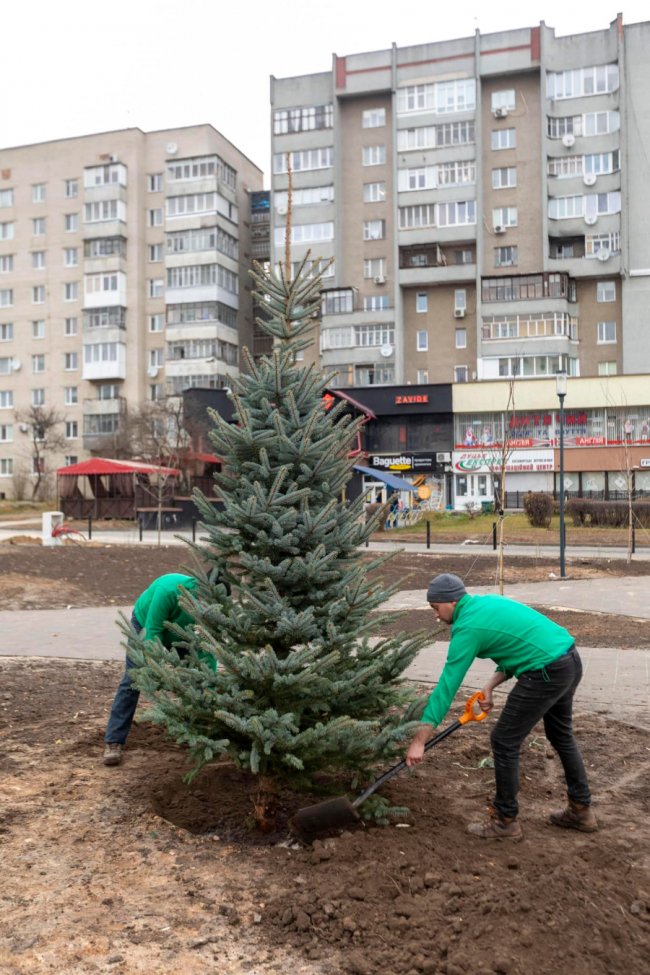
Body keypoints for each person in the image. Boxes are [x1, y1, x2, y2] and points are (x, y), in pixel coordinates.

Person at [406, 573, 597, 840]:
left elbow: (446, 688)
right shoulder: (485, 604)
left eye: (435, 608)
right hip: (568, 659)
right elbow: (517, 644)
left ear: (450, 601)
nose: (436, 616)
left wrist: (419, 740)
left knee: (504, 740)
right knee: (560, 735)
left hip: (546, 671)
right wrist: (490, 685)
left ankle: (505, 821)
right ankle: (581, 810)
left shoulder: (468, 627)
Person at [103, 572, 199, 766]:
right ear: (201, 591)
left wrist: (209, 680)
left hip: (180, 633)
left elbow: (207, 654)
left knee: (195, 676)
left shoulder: (211, 611)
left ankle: (196, 733)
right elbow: (153, 630)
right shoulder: (169, 591)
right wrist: (156, 667)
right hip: (145, 623)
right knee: (134, 678)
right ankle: (114, 741)